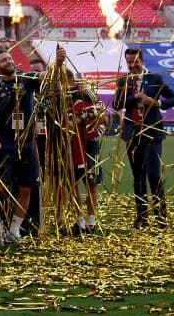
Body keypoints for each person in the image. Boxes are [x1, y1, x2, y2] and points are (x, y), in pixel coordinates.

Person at [0, 46, 66, 245]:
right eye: (3, 60)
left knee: (26, 188)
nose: (9, 61)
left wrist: (59, 63)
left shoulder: (27, 79)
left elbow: (48, 75)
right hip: (4, 145)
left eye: (10, 58)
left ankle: (14, 230)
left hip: (27, 144)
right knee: (1, 190)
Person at [113, 47, 174, 229]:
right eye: (128, 62)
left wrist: (156, 102)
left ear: (142, 60)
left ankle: (161, 219)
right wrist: (134, 97)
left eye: (135, 62)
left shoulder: (155, 79)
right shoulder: (123, 81)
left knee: (153, 175)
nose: (131, 65)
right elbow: (116, 104)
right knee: (138, 177)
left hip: (152, 133)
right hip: (132, 134)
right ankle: (141, 218)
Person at [68, 78, 106, 234]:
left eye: (84, 85)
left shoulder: (95, 102)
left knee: (92, 184)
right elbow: (67, 123)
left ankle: (91, 222)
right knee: (74, 185)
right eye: (77, 84)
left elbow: (103, 120)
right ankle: (80, 222)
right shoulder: (68, 103)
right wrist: (78, 118)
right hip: (73, 147)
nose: (80, 87)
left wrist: (91, 114)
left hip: (91, 147)